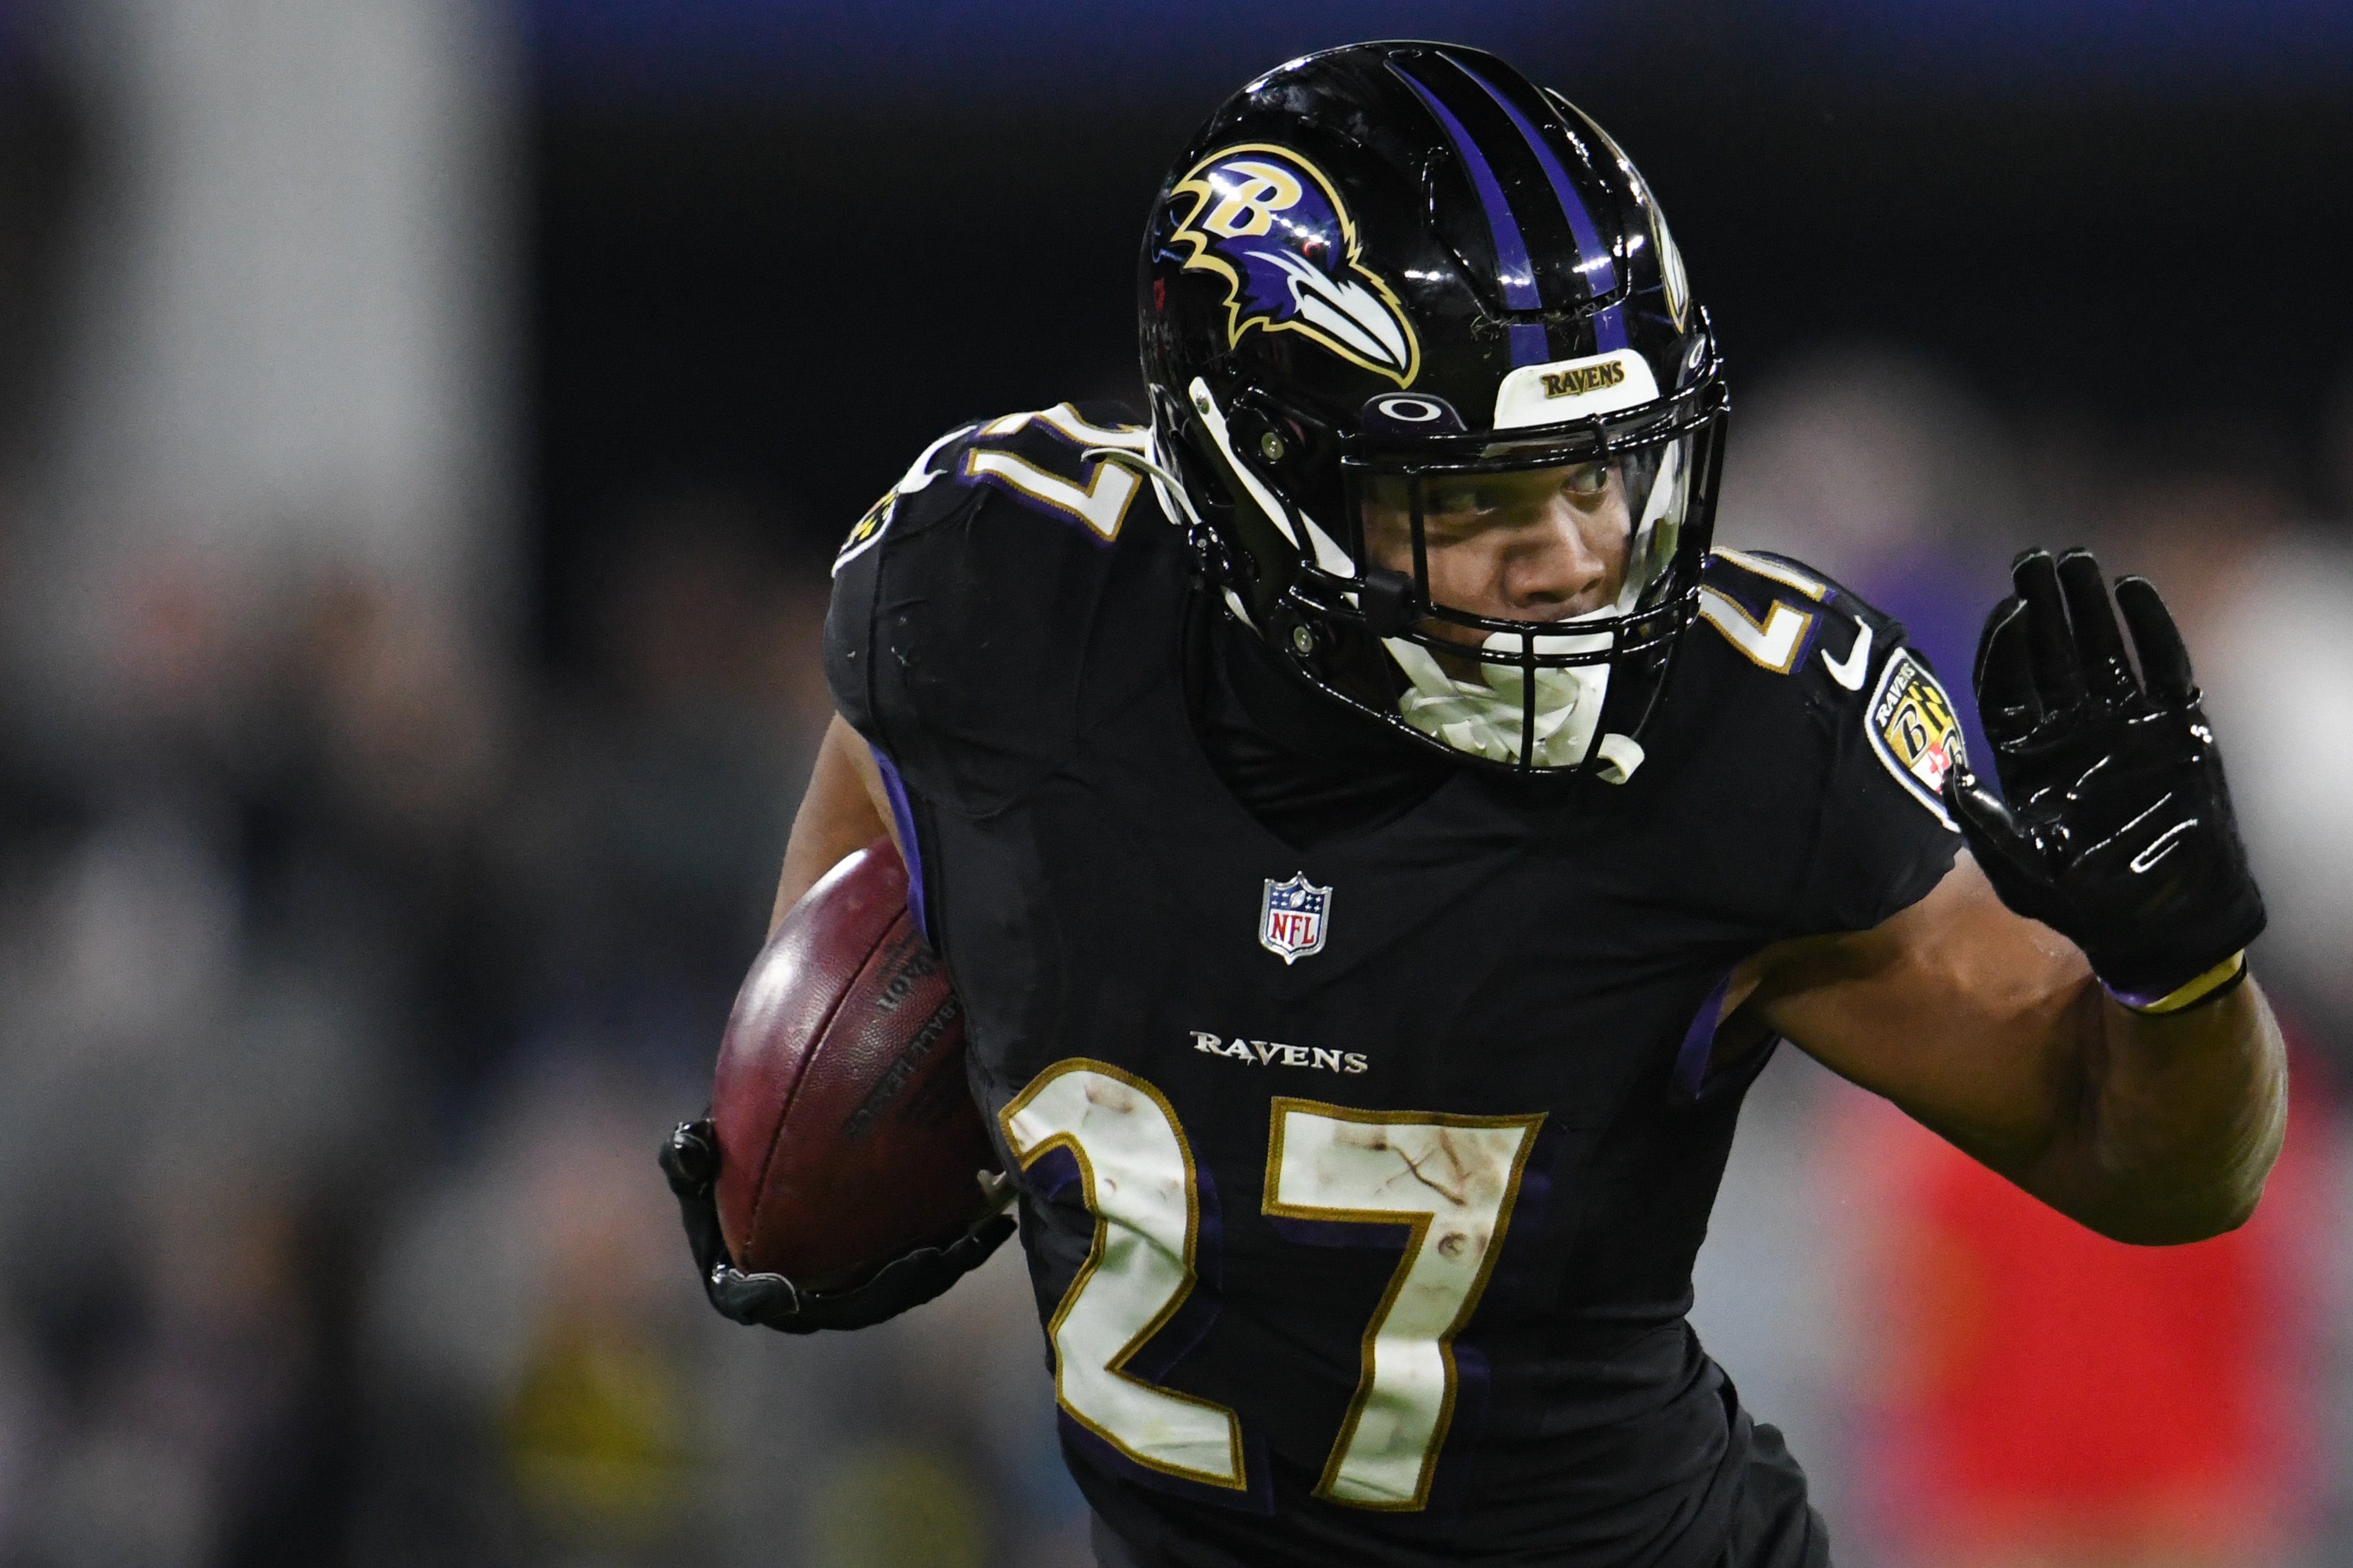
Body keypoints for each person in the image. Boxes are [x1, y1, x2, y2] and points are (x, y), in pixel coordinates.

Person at [658, 42, 2284, 1568]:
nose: (1577, 553)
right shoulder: (993, 605)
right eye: (1483, 495)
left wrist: (2181, 971)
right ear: (1258, 476)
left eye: (1596, 472)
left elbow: (2152, 1170)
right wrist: (844, 1111)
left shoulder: (1742, 734)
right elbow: (883, 830)